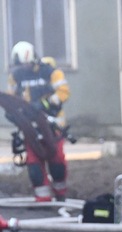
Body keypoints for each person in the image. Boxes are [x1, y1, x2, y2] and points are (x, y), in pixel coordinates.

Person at [7, 41, 71, 202]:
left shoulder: (51, 72)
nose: (24, 68)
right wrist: (12, 112)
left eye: (26, 64)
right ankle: (42, 199)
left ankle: (60, 195)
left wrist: (44, 104)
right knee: (34, 164)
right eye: (21, 65)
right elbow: (12, 97)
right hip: (31, 128)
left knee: (57, 162)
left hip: (52, 127)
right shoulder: (16, 76)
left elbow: (64, 92)